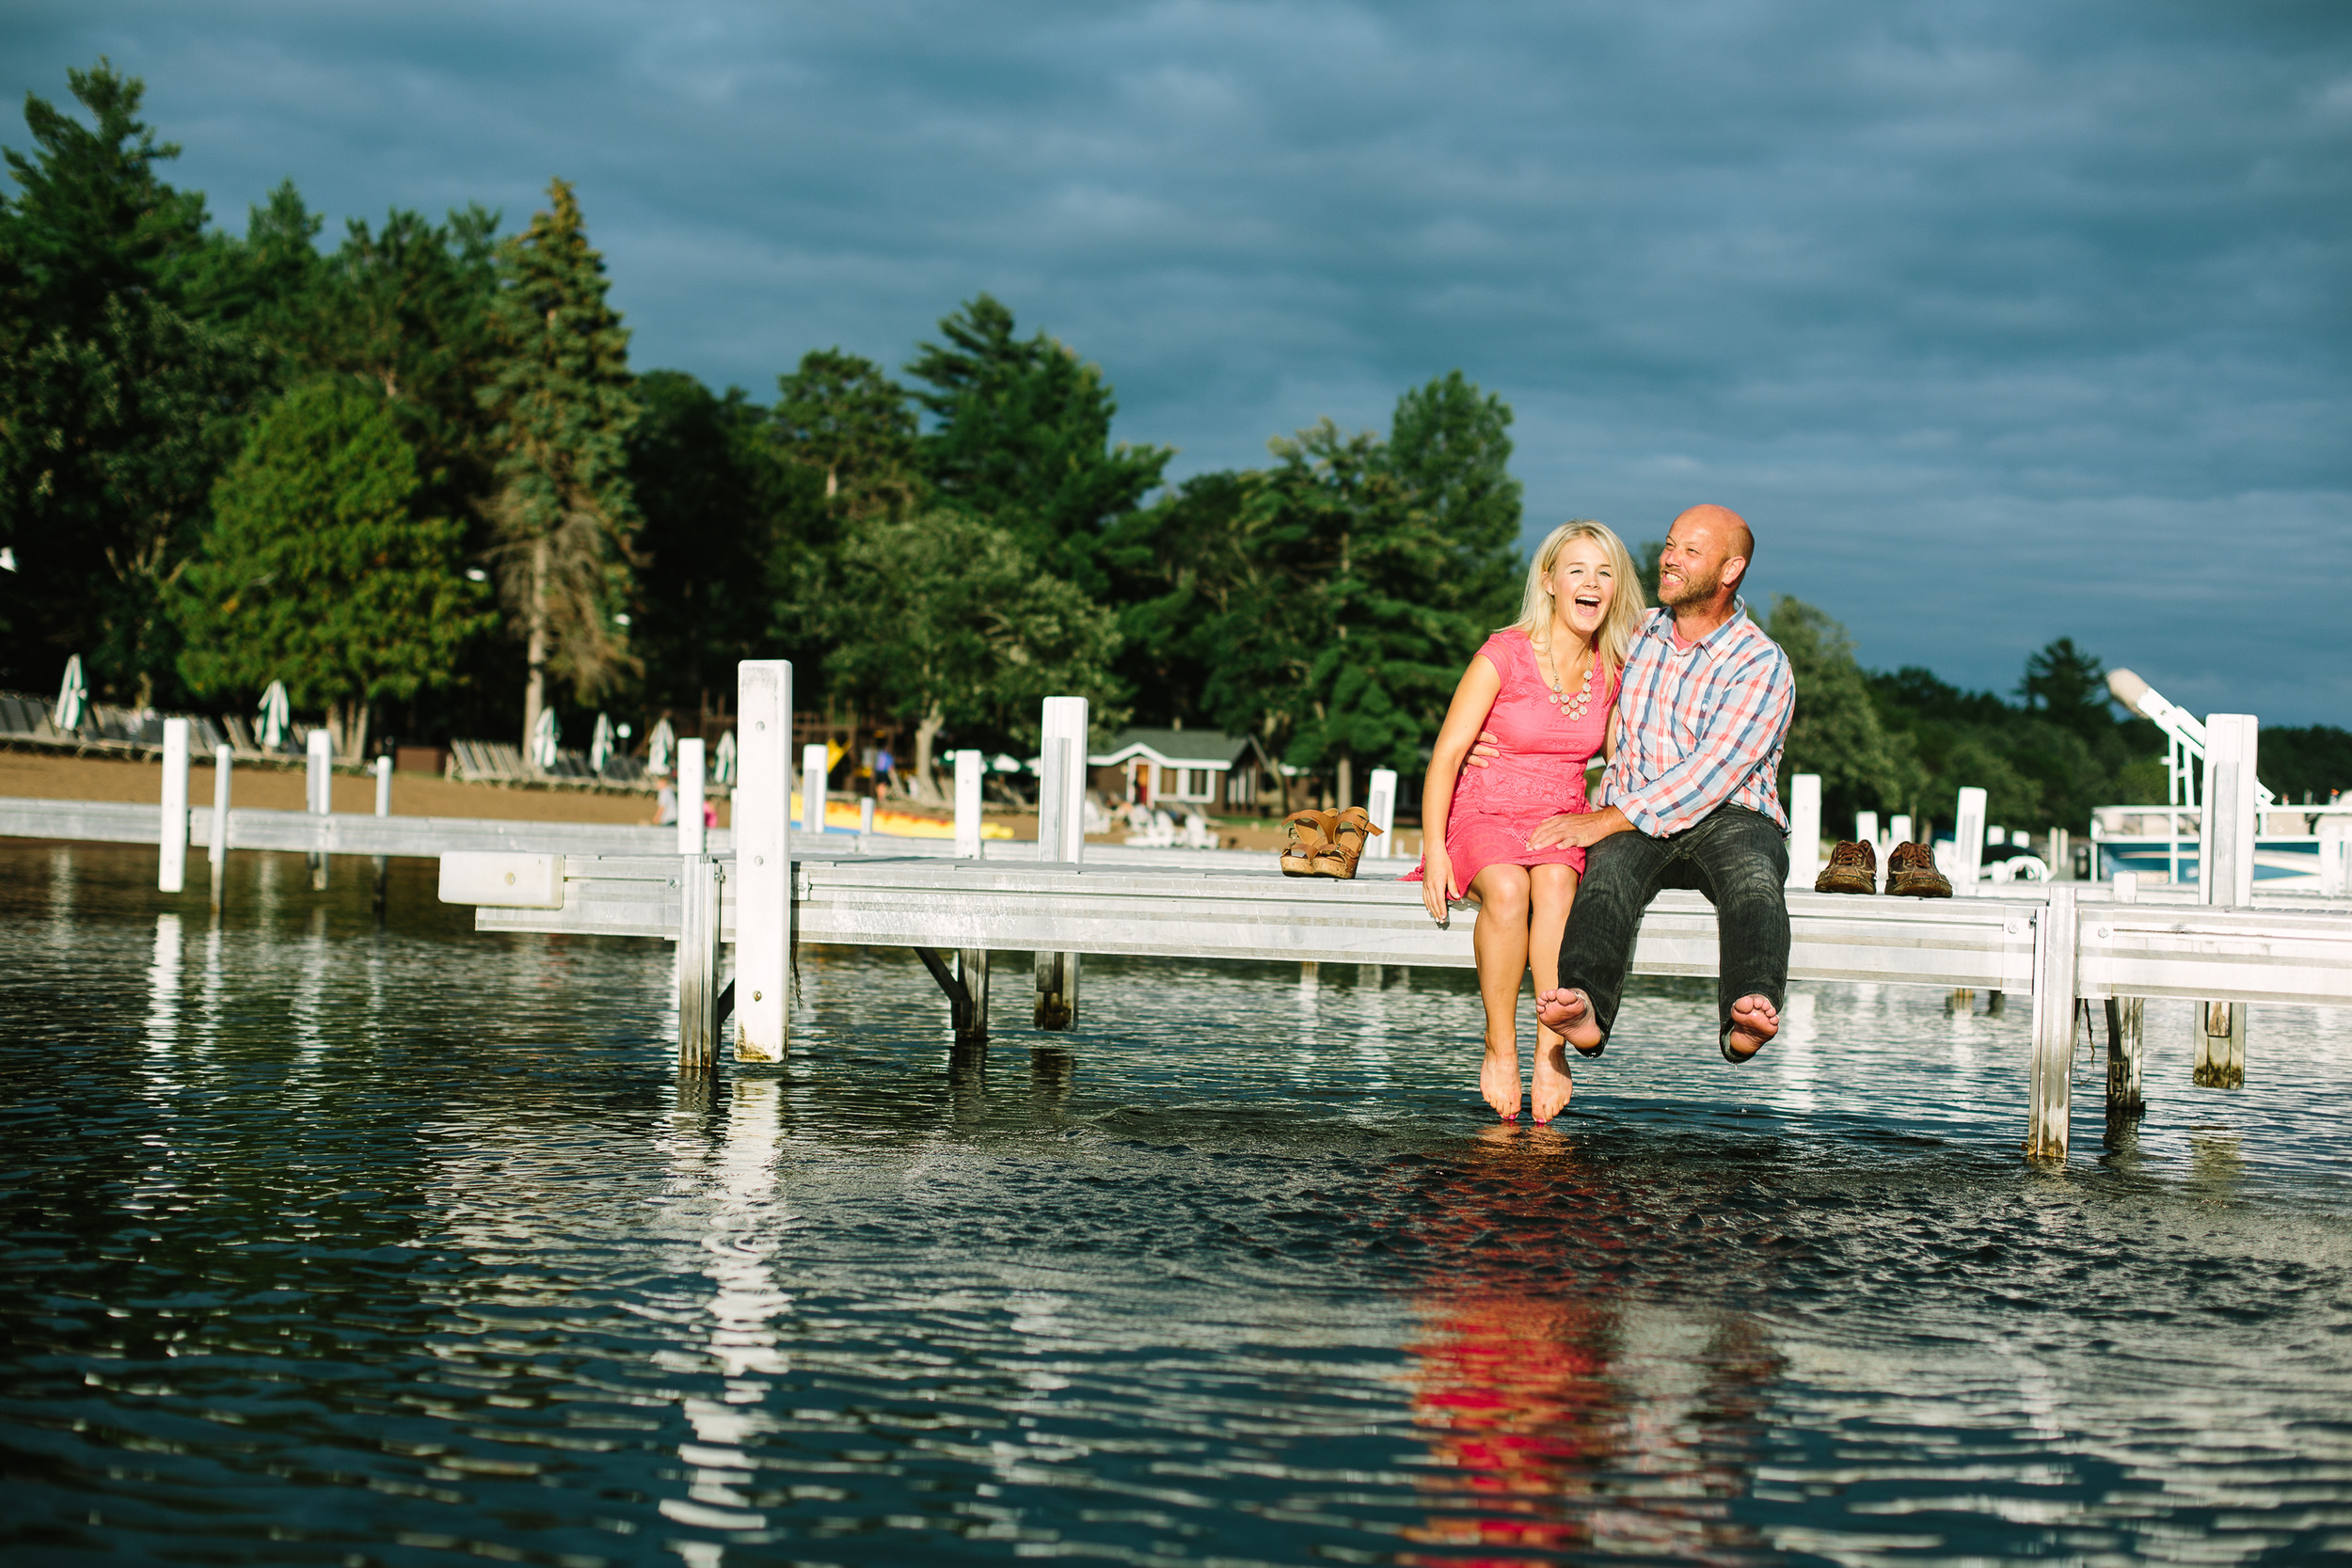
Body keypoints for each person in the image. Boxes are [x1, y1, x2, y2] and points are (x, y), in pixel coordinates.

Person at [1499, 504, 1794, 1065]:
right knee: (1606, 875)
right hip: (1634, 814)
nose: (1668, 559)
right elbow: (1568, 691)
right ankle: (1584, 1004)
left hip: (1728, 816)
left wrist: (1605, 817)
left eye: (1689, 551)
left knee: (1755, 877)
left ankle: (1749, 1010)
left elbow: (1710, 773)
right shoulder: (1635, 635)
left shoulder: (1762, 661)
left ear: (1730, 571)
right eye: (1668, 544)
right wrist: (1504, 743)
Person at [1406, 521, 1645, 1123]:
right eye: (1576, 571)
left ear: (1616, 588)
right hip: (1484, 808)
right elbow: (1447, 756)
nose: (1591, 584)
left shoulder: (1612, 667)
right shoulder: (1503, 653)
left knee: (1558, 883)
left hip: (1559, 815)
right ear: (1549, 582)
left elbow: (1624, 756)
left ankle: (1551, 1047)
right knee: (1510, 888)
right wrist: (1434, 850)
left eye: (1605, 572)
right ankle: (1499, 1045)